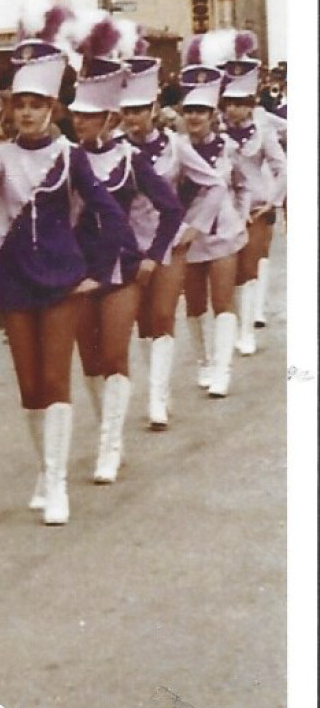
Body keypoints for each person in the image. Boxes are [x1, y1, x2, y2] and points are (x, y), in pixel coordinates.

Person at [0, 25, 131, 525]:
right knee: (29, 385)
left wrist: (98, 273)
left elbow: (112, 216)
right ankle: (44, 469)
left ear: (53, 107)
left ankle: (58, 485)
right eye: (20, 103)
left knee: (56, 376)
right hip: (11, 273)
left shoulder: (71, 156)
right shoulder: (1, 153)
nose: (27, 112)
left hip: (63, 278)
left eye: (37, 103)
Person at [66, 46, 183, 485]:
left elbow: (170, 209)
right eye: (76, 114)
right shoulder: (63, 158)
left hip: (120, 269)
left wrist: (154, 256)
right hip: (75, 272)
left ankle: (109, 447)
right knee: (91, 360)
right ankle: (107, 430)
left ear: (109, 118)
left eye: (87, 116)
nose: (78, 122)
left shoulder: (131, 161)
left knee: (115, 354)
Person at [120, 53, 224, 429]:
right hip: (128, 245)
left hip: (167, 243)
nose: (132, 118)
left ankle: (156, 399)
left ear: (153, 108)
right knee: (143, 322)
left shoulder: (175, 146)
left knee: (163, 315)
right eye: (126, 110)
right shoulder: (115, 148)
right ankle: (156, 387)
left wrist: (194, 225)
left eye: (139, 110)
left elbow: (214, 182)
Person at [175, 50, 247, 399]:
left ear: (212, 114)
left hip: (223, 232)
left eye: (200, 111)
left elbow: (243, 184)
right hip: (188, 234)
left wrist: (244, 211)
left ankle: (222, 369)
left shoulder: (229, 148)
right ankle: (203, 361)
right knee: (194, 304)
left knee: (222, 302)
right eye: (189, 111)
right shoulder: (175, 149)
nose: (194, 117)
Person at [214, 36, 285, 355]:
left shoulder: (265, 130)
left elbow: (282, 167)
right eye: (229, 103)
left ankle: (246, 331)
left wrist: (274, 201)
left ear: (251, 104)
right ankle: (229, 329)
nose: (234, 109)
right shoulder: (214, 133)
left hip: (257, 207)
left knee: (248, 267)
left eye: (241, 103)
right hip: (223, 211)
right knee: (225, 277)